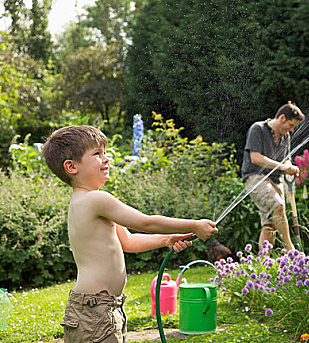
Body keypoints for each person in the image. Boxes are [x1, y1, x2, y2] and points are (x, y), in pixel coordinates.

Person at [41, 125, 218, 343]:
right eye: (96, 154)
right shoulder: (96, 200)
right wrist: (193, 225)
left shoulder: (88, 201)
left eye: (104, 152)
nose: (106, 159)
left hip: (102, 307)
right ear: (71, 166)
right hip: (95, 310)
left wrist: (166, 240)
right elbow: (147, 222)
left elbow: (128, 241)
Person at [241, 101, 305, 251]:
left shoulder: (285, 136)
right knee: (279, 207)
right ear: (282, 118)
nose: (292, 129)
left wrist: (289, 166)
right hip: (255, 177)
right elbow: (255, 157)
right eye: (291, 125)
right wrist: (282, 166)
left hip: (276, 180)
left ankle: (263, 265)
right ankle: (291, 252)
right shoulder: (258, 129)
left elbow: (286, 158)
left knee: (269, 224)